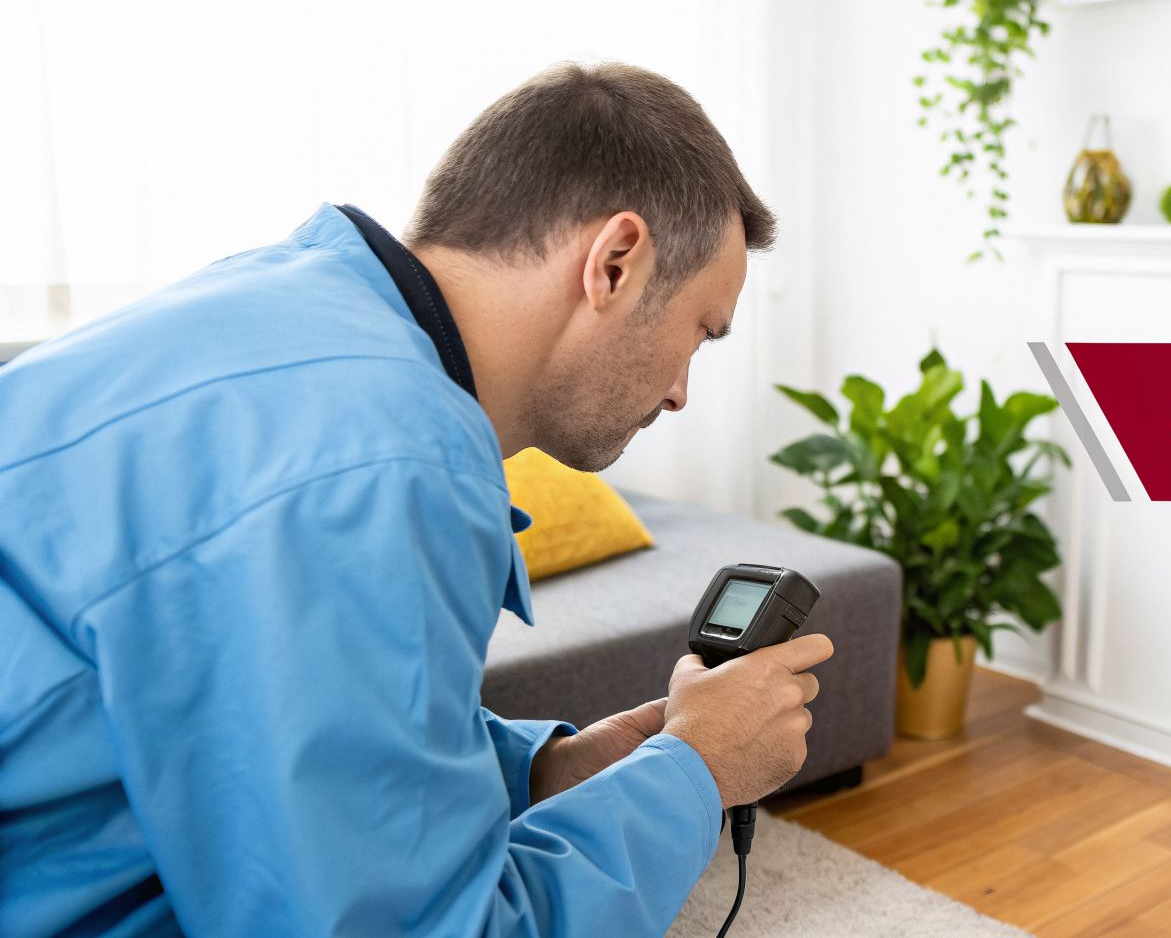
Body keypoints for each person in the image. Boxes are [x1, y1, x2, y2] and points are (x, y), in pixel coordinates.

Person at [0, 62, 832, 936]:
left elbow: (257, 721)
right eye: (700, 331)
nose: (681, 393)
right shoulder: (384, 467)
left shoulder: (282, 302)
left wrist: (544, 771)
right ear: (615, 263)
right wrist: (696, 771)